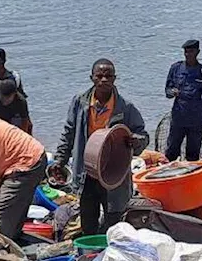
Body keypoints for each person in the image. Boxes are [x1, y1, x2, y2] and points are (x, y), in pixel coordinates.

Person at [50, 59, 148, 235]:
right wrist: (59, 160)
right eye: (100, 76)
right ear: (92, 78)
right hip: (87, 170)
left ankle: (110, 252)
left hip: (113, 172)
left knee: (114, 217)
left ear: (115, 79)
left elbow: (142, 133)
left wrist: (136, 141)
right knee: (88, 217)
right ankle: (90, 251)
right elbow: (69, 132)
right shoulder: (80, 103)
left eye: (108, 76)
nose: (104, 80)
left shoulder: (125, 107)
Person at [164, 39, 202, 161]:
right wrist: (172, 92)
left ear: (197, 52)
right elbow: (167, 91)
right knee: (171, 152)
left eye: (191, 51)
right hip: (178, 118)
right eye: (186, 52)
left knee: (193, 155)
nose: (188, 54)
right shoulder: (175, 68)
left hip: (196, 120)